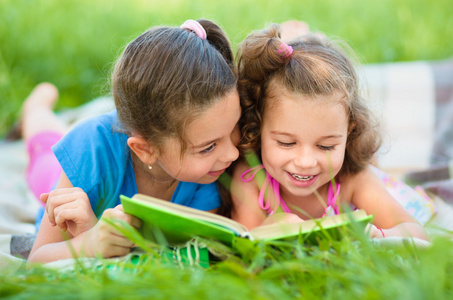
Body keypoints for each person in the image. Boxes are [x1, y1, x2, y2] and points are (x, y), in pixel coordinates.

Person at [28, 19, 241, 263]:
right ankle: (36, 106)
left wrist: (93, 230)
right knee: (43, 155)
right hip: (72, 173)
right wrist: (90, 242)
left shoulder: (207, 174)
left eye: (234, 128)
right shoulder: (91, 152)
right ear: (145, 149)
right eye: (209, 147)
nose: (232, 154)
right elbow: (37, 258)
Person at [228, 23, 429, 240]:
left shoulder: (353, 179)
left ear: (349, 133)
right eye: (286, 143)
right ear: (258, 128)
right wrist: (273, 228)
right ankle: (300, 35)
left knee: (370, 165)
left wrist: (374, 234)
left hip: (367, 177)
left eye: (326, 146)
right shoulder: (252, 178)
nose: (306, 162)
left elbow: (418, 234)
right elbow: (245, 244)